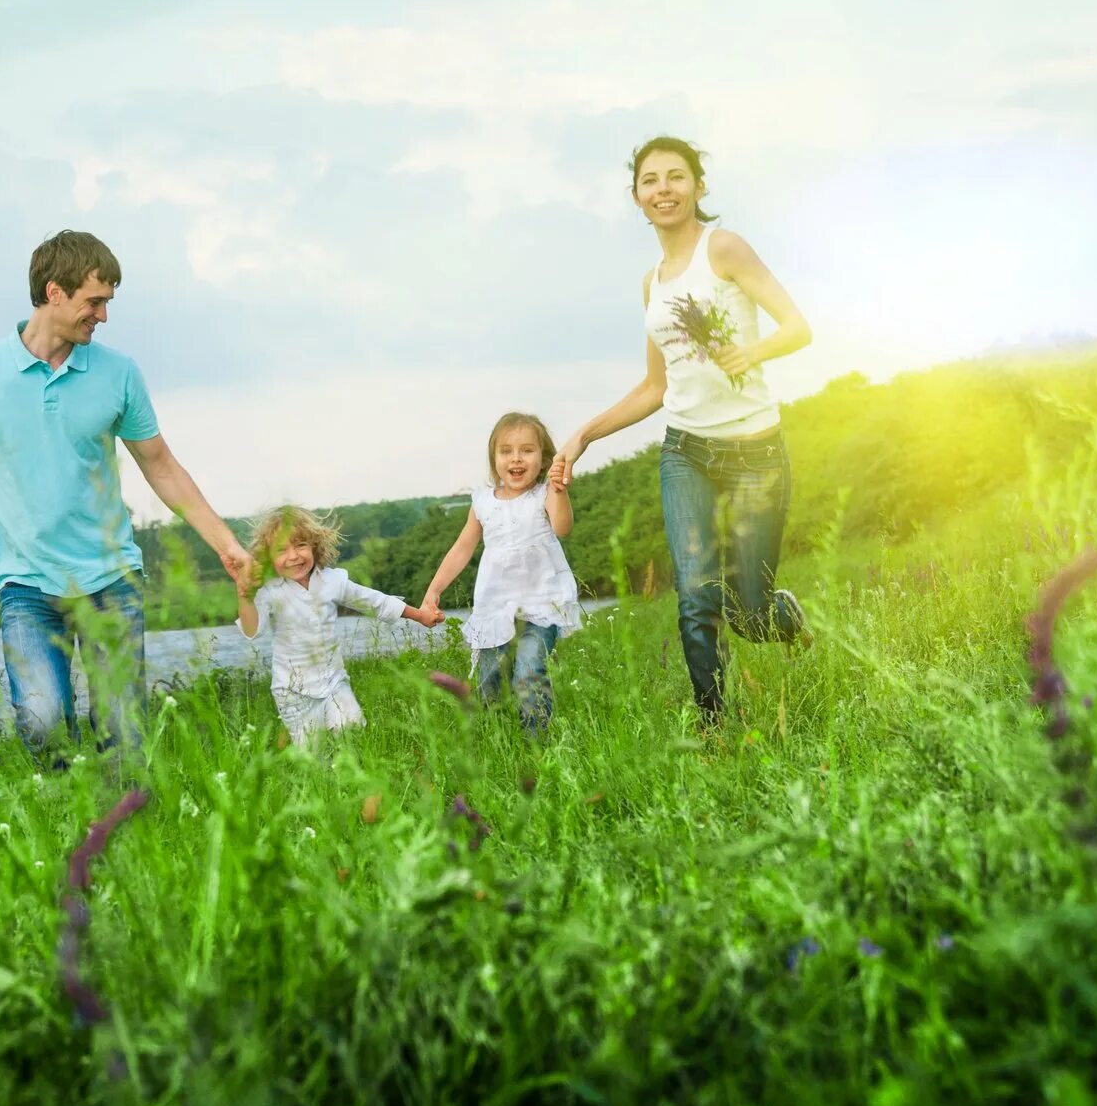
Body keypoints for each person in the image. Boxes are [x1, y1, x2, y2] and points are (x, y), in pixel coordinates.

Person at [0, 230, 254, 759]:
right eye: (95, 301)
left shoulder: (119, 373)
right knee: (43, 726)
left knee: (122, 732)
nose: (103, 316)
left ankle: (123, 827)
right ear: (54, 292)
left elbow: (160, 465)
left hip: (111, 578)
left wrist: (227, 544)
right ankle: (68, 823)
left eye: (108, 302)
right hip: (27, 584)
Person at [551, 136, 813, 726]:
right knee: (696, 595)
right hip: (686, 453)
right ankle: (716, 728)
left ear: (698, 187)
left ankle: (785, 616)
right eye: (650, 180)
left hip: (755, 454)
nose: (663, 189)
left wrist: (754, 351)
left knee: (748, 613)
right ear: (637, 197)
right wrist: (584, 436)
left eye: (676, 177)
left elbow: (798, 328)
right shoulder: (654, 283)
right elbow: (654, 387)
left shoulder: (723, 248)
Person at [420, 413, 580, 735]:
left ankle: (538, 741)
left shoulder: (545, 494)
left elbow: (563, 528)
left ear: (544, 458)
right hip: (496, 607)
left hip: (542, 604)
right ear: (494, 460)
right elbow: (462, 548)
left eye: (527, 450)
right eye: (506, 451)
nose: (516, 458)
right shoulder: (482, 502)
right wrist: (434, 589)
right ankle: (495, 741)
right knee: (490, 683)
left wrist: (560, 491)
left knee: (528, 670)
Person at [237, 506, 441, 747]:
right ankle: (321, 782)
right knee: (314, 757)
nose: (293, 556)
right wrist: (245, 595)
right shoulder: (270, 591)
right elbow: (252, 630)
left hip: (333, 682)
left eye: (301, 545)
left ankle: (354, 781)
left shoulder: (332, 581)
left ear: (315, 546)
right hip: (292, 692)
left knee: (352, 729)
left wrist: (420, 615)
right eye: (281, 550)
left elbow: (373, 601)